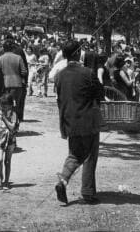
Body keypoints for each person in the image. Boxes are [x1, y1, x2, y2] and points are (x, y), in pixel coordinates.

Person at [54, 40, 104, 205]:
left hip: (69, 121)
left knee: (74, 154)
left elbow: (60, 99)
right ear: (77, 53)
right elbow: (100, 93)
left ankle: (63, 181)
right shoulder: (88, 73)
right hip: (87, 121)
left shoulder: (59, 75)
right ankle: (88, 192)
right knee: (90, 156)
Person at [0, 93, 19, 190]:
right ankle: (0, 177)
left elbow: (12, 128)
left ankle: (6, 181)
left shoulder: (13, 114)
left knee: (7, 161)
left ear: (10, 105)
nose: (2, 107)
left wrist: (4, 118)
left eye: (5, 105)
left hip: (10, 140)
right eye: (1, 105)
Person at [0, 39, 28, 122]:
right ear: (13, 48)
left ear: (3, 48)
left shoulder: (0, 59)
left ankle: (6, 122)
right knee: (15, 105)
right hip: (17, 84)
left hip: (4, 84)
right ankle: (14, 123)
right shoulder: (18, 58)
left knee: (4, 104)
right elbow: (24, 71)